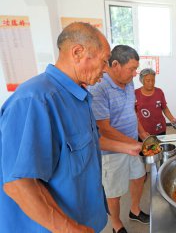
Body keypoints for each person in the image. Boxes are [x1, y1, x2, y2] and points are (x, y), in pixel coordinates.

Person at [0, 22, 140, 233]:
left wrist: (127, 148)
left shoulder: (79, 96)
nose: (105, 70)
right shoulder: (36, 100)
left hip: (83, 217)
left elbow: (88, 141)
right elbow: (18, 184)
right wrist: (70, 229)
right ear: (77, 52)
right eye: (103, 62)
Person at [88, 45, 149, 233]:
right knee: (114, 191)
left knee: (139, 177)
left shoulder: (129, 82)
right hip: (112, 150)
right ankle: (116, 223)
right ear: (115, 64)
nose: (134, 74)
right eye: (131, 69)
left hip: (133, 144)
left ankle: (135, 210)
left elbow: (132, 111)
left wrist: (143, 134)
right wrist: (133, 143)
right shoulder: (99, 87)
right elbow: (104, 128)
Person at [135, 68, 176, 137]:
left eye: (153, 80)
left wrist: (172, 119)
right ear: (142, 80)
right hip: (143, 130)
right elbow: (133, 113)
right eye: (148, 81)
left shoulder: (159, 92)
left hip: (159, 128)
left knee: (159, 147)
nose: (151, 83)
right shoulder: (136, 93)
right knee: (144, 147)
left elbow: (164, 108)